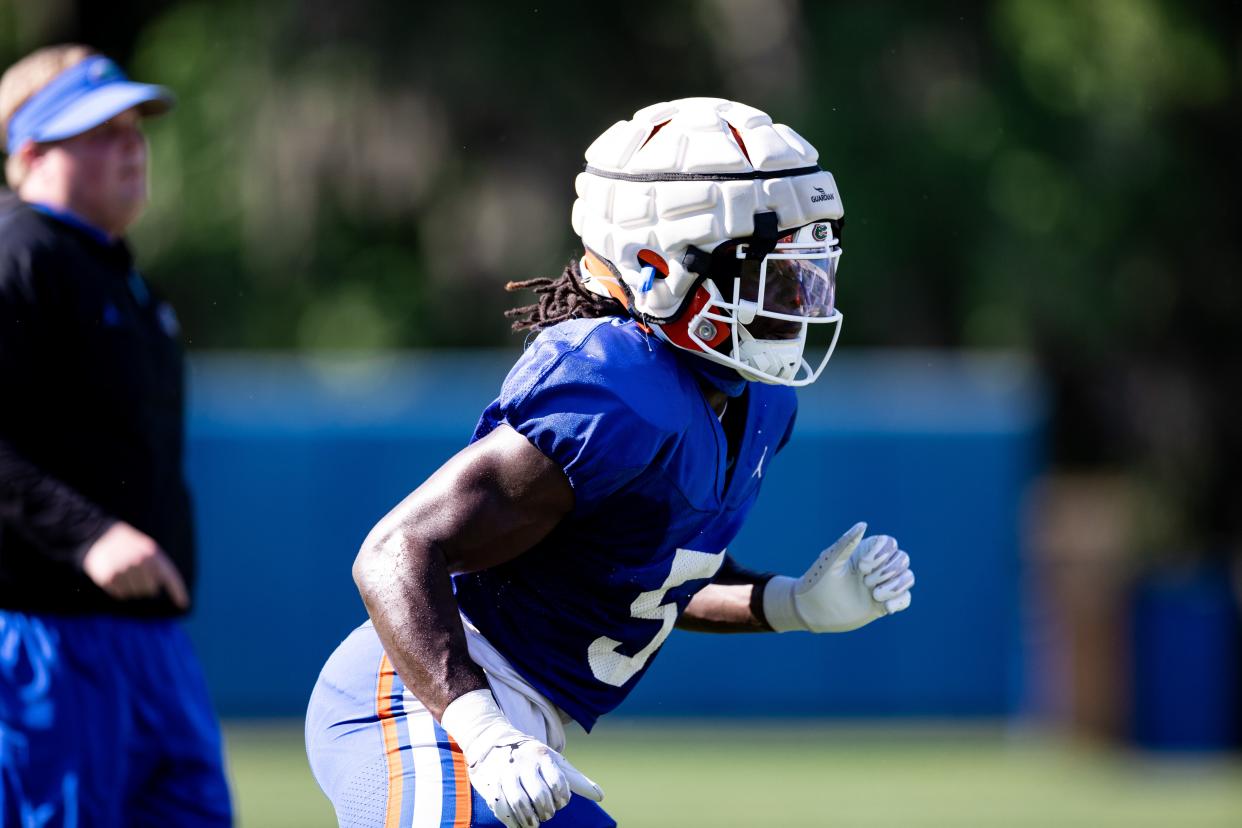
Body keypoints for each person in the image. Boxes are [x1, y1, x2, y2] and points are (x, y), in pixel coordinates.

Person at [305, 97, 915, 828]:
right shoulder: (617, 385)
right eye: (775, 278)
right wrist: (484, 731)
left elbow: (660, 577)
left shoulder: (756, 404)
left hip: (511, 727)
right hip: (422, 705)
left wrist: (792, 605)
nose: (799, 302)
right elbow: (395, 550)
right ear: (658, 266)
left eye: (807, 274)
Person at [0, 45, 232, 826]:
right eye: (99, 130)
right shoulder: (17, 256)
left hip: (149, 642)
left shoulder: (123, 276)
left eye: (134, 127)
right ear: (30, 152)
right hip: (46, 636)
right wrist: (89, 536)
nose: (131, 144)